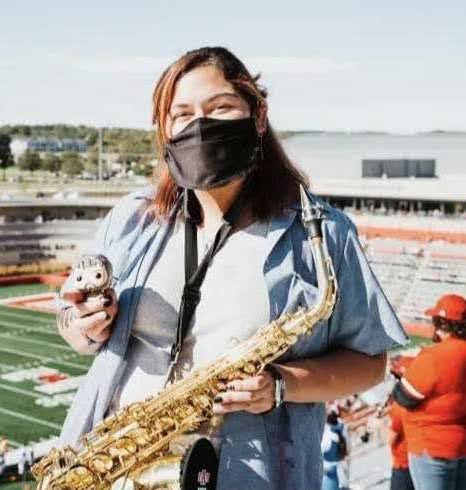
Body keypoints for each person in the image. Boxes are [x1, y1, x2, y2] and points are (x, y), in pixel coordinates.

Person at [56, 46, 407, 490]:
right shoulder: (133, 217)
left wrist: (280, 384)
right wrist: (83, 325)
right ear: (165, 130)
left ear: (258, 116)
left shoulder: (323, 232)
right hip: (119, 464)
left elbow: (371, 363)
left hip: (247, 471)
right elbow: (69, 323)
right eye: (182, 114)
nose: (200, 125)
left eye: (220, 107)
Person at [393, 294, 466, 490]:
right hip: (460, 443)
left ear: (440, 323)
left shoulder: (434, 356)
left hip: (430, 445)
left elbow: (404, 397)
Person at [388, 399, 414, 490]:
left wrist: (376, 425)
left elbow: (390, 439)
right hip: (420, 458)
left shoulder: (398, 407)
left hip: (403, 464)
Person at [321, 410, 350, 490]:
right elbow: (347, 449)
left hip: (329, 470)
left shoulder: (327, 435)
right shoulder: (342, 429)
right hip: (342, 468)